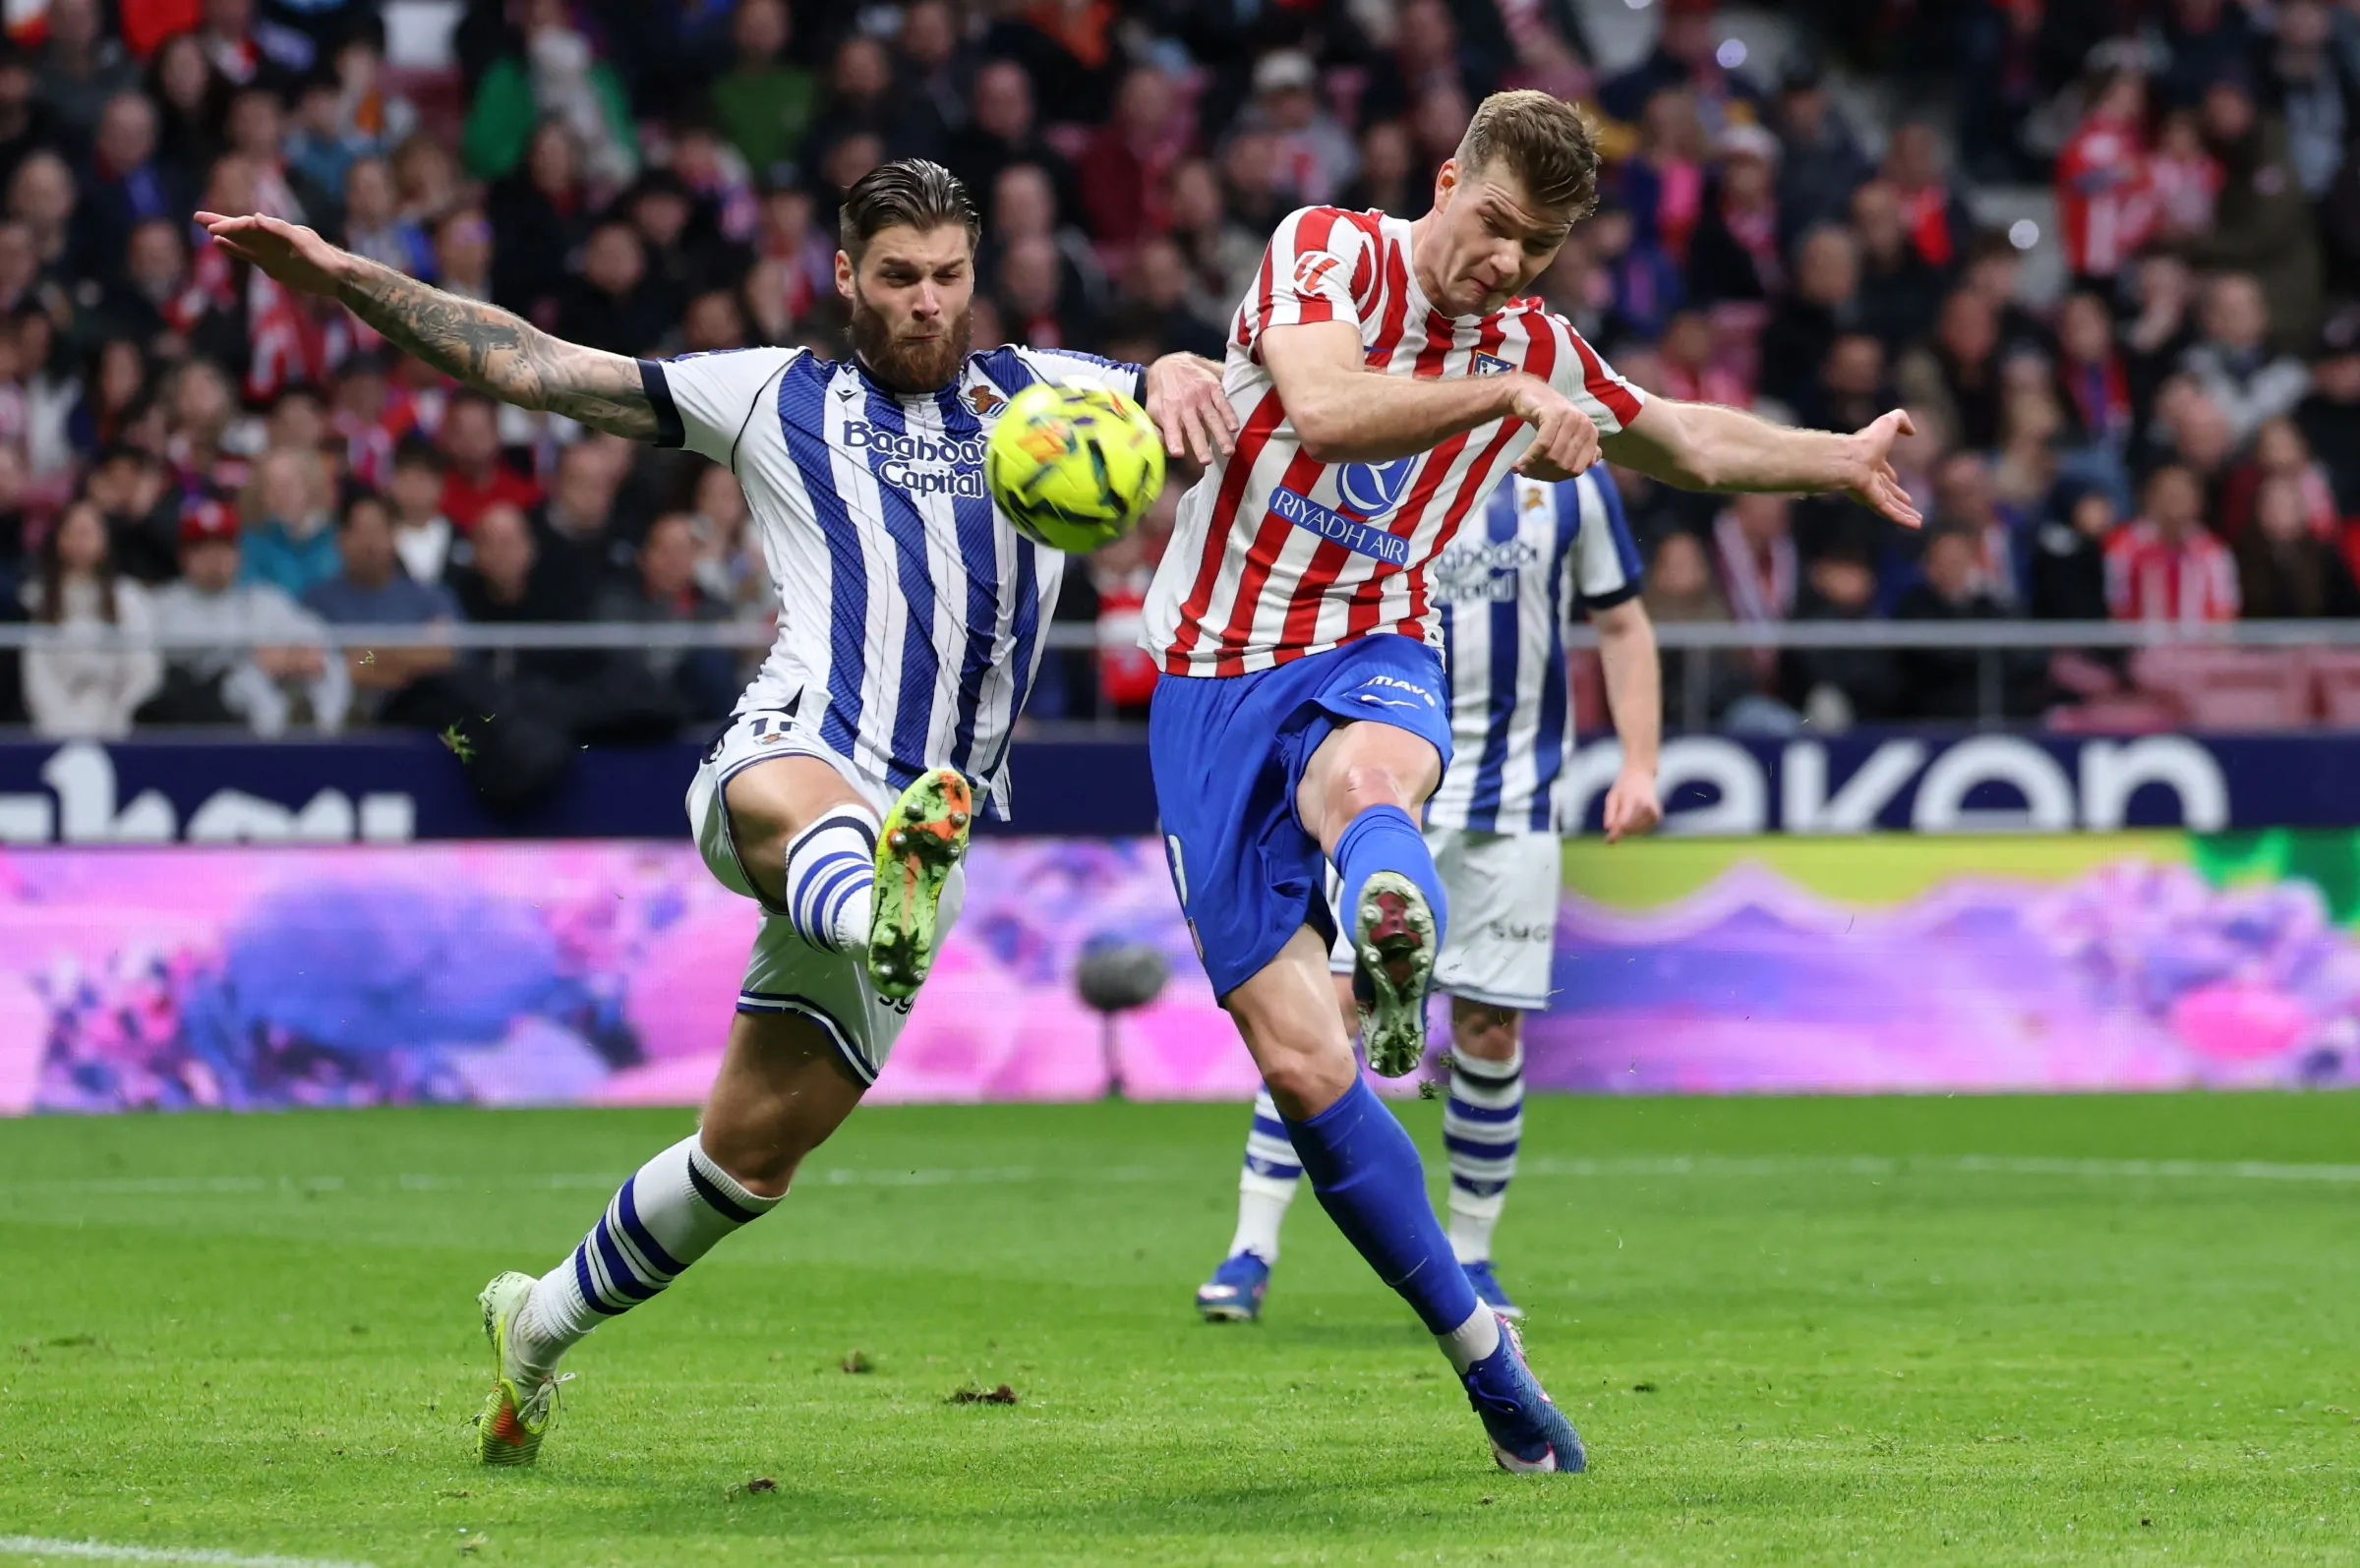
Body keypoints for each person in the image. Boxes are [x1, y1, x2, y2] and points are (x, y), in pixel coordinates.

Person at [195, 157, 1231, 1465]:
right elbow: (537, 367)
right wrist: (344, 276)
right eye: (898, 276)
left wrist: (1182, 367)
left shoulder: (1054, 396)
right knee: (824, 817)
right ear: (845, 275)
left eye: (948, 275)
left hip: (941, 814)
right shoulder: (770, 394)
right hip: (790, 755)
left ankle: (535, 1327)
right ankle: (872, 896)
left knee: (744, 1163)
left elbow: (1222, 390)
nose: (926, 301)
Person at [1140, 89, 1918, 1476]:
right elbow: (1323, 408)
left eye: (1539, 247)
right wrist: (1505, 395)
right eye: (1495, 223)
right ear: (1447, 183)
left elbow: (1684, 439)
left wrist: (1834, 458)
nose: (1506, 262)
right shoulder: (1327, 249)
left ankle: (1386, 901)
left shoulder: (1540, 347)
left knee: (1371, 779)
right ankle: (1488, 1368)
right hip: (1210, 675)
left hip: (1374, 643)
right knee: (1304, 1067)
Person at [1195, 465, 1661, 1326]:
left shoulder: (1573, 480)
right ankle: (1250, 1246)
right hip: (1378, 783)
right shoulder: (1378, 461)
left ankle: (1473, 1256)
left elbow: (1622, 619)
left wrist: (1640, 762)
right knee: (1326, 1009)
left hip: (1510, 802)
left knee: (1490, 1026)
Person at [146, 497, 350, 735]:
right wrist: (256, 658)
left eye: (223, 546)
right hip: (199, 714)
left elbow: (330, 646)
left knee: (329, 665)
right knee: (247, 677)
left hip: (278, 700)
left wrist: (294, 655)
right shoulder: (162, 605)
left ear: (238, 553)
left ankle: (323, 735)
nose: (215, 558)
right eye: (203, 548)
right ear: (184, 556)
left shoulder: (262, 599)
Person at [21, 496, 162, 739]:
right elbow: (37, 675)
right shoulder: (36, 598)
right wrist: (60, 726)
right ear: (58, 540)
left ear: (104, 540)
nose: (79, 541)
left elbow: (144, 671)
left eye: (87, 533)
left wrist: (118, 718)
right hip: (55, 728)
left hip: (117, 724)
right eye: (71, 532)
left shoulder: (128, 598)